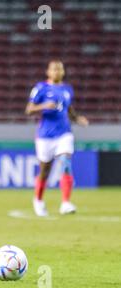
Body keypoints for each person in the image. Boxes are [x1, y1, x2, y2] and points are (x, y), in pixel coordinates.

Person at [25, 60, 89, 217]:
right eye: (54, 69)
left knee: (66, 163)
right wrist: (43, 106)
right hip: (45, 136)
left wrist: (77, 118)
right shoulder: (41, 88)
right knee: (45, 171)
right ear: (48, 72)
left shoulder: (67, 89)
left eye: (60, 69)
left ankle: (65, 203)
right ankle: (38, 200)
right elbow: (29, 109)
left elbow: (68, 109)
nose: (57, 72)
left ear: (63, 72)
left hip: (64, 134)